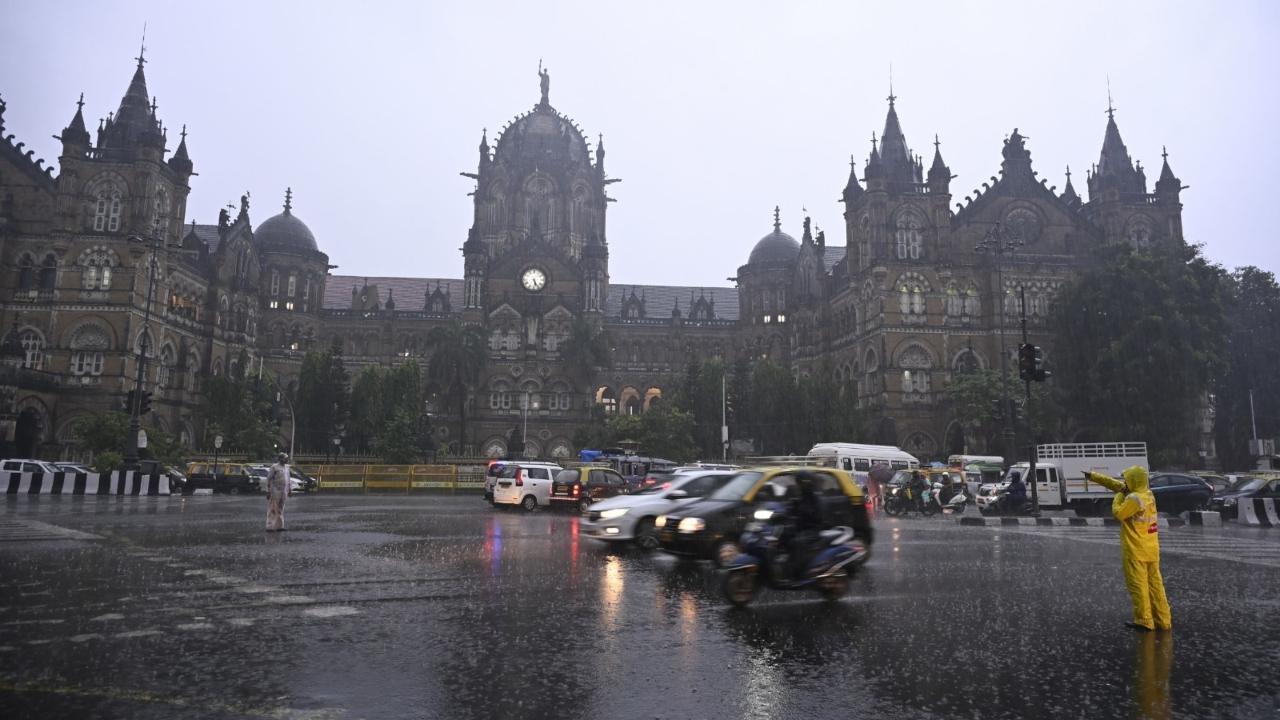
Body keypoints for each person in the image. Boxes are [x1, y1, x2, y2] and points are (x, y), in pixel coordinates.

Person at [1084, 466, 1171, 632]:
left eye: (1127, 479)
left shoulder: (1133, 499)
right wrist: (1093, 476)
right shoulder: (1147, 495)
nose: (1124, 483)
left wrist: (1117, 498)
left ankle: (1145, 620)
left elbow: (1119, 513)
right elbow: (1119, 486)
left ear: (1133, 481)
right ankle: (1163, 619)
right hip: (1151, 548)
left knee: (1138, 587)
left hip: (1135, 549)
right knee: (1156, 587)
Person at [265, 452, 291, 532]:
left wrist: (290, 489)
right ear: (280, 459)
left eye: (287, 458)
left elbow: (288, 479)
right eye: (285, 458)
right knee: (272, 508)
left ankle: (279, 526)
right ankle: (270, 527)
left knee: (280, 508)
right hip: (275, 490)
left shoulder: (287, 468)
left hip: (284, 491)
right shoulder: (274, 467)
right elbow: (269, 479)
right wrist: (268, 491)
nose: (287, 460)